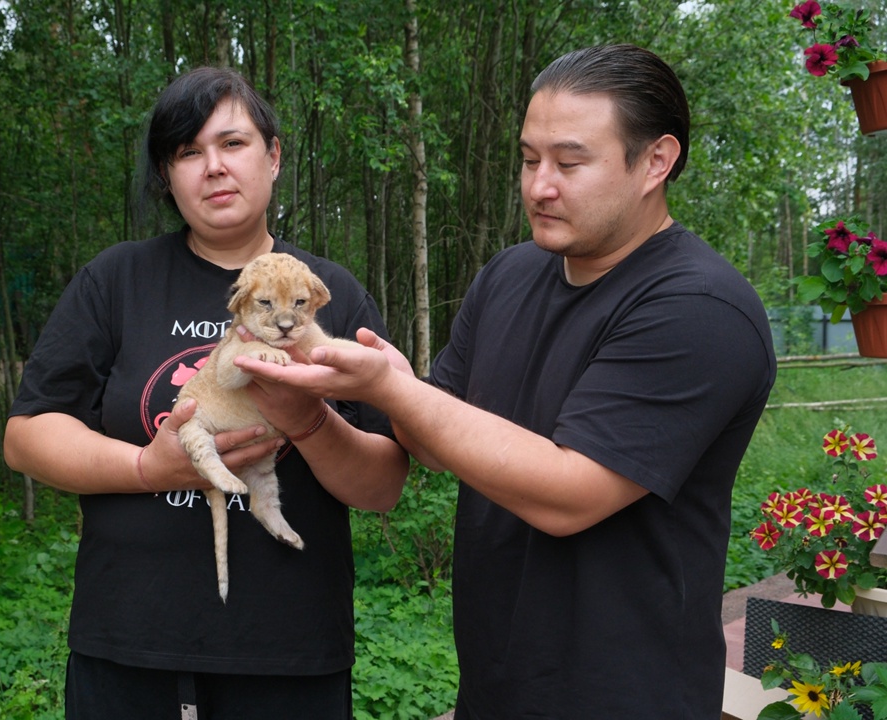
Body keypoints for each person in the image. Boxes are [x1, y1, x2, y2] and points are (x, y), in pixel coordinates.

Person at [235, 44, 777, 718]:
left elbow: (568, 495)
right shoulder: (510, 276)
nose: (539, 186)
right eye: (529, 159)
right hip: (498, 688)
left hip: (629, 696)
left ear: (657, 163)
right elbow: (433, 443)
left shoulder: (699, 308)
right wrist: (318, 410)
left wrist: (396, 391)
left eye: (570, 163)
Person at [3, 66, 408, 720]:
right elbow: (25, 437)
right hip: (129, 650)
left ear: (273, 157)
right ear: (167, 176)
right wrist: (146, 467)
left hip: (289, 656)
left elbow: (383, 484)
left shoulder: (330, 292)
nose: (213, 167)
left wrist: (309, 424)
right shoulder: (115, 281)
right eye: (188, 152)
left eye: (233, 144)